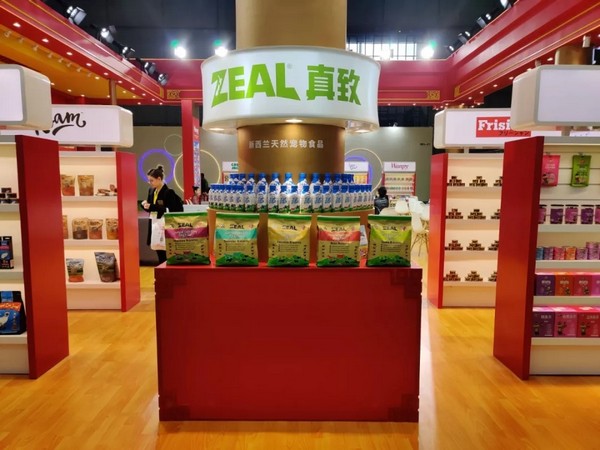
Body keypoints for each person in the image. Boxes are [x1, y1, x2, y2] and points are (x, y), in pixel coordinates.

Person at [141, 165, 184, 264]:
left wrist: (152, 206)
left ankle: (167, 270)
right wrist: (144, 205)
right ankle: (162, 269)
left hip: (165, 225)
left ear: (159, 179)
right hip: (154, 224)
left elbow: (172, 210)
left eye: (151, 180)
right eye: (149, 180)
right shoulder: (151, 191)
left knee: (165, 252)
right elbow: (151, 208)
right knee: (157, 249)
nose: (150, 183)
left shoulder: (168, 192)